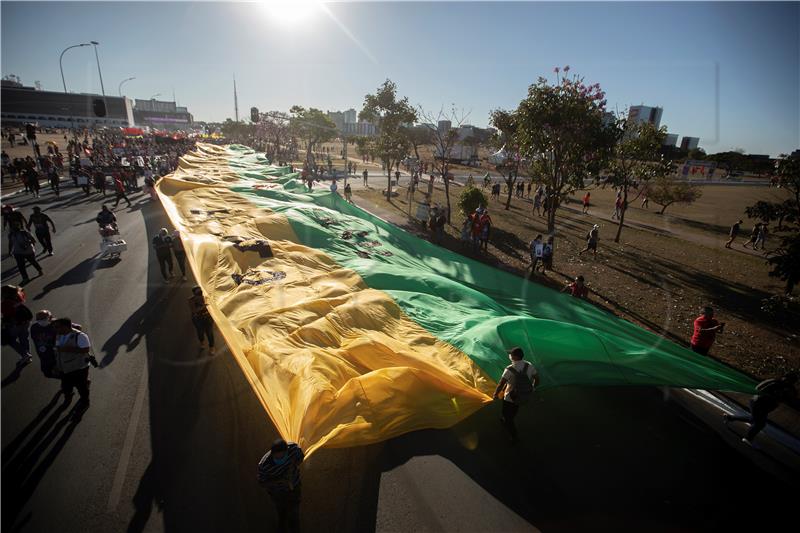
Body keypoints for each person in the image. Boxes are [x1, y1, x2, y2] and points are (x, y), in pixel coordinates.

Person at [724, 372, 798, 448]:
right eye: (788, 379)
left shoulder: (790, 389)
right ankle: (748, 438)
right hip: (758, 402)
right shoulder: (774, 382)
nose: (789, 381)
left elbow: (791, 399)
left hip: (767, 407)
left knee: (753, 419)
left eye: (792, 381)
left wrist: (785, 397)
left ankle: (730, 418)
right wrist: (770, 394)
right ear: (784, 377)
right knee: (760, 424)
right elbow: (758, 388)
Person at [492, 347, 539, 444]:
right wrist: (532, 388)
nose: (510, 356)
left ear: (515, 357)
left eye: (511, 354)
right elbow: (537, 379)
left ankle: (514, 435)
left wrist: (495, 394)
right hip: (522, 395)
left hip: (509, 397)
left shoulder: (509, 369)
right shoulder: (529, 365)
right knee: (513, 411)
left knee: (507, 415)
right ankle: (507, 419)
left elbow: (501, 383)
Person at [258, 438, 305, 533]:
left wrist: (293, 466)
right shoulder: (264, 465)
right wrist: (279, 481)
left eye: (282, 457)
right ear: (272, 454)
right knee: (282, 516)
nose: (280, 460)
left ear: (287, 451)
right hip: (278, 493)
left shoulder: (293, 448)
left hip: (294, 488)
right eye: (277, 458)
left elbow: (300, 457)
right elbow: (262, 483)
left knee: (294, 517)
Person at [54, 317, 94, 407]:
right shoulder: (58, 335)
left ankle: (85, 402)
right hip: (64, 368)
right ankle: (68, 397)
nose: (55, 329)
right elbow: (57, 350)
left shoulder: (80, 336)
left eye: (57, 327)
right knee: (66, 387)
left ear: (65, 327)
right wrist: (57, 365)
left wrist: (66, 349)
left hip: (79, 368)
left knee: (81, 387)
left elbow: (85, 349)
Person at [1, 285, 33, 364]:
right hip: (25, 321)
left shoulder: (5, 302)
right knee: (24, 338)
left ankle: (25, 355)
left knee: (10, 340)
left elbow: (6, 314)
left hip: (14, 323)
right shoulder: (19, 296)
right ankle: (27, 356)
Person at [30, 310, 57, 377]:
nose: (41, 321)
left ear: (50, 317)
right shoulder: (34, 327)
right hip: (43, 354)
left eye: (43, 318)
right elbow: (35, 339)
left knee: (61, 372)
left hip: (56, 354)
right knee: (47, 373)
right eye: (39, 319)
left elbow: (75, 327)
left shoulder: (56, 324)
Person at [189, 286, 215, 351]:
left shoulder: (205, 298)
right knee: (200, 332)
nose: (200, 293)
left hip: (207, 318)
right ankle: (202, 342)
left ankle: (211, 347)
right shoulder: (191, 300)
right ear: (194, 294)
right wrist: (203, 306)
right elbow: (194, 310)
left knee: (209, 333)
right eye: (198, 293)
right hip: (198, 319)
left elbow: (212, 306)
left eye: (201, 292)